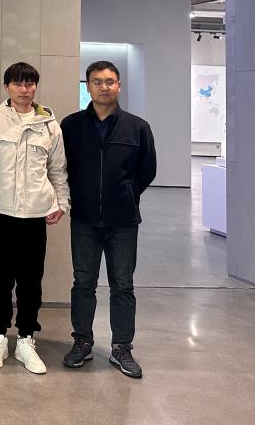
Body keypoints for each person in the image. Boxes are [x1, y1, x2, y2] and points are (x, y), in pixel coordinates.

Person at [60, 60, 156, 378]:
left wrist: (125, 194)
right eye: (97, 82)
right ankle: (83, 342)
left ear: (119, 86)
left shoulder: (137, 127)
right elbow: (61, 167)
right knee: (83, 284)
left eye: (110, 81)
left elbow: (147, 170)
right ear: (88, 86)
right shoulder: (71, 126)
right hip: (84, 219)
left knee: (123, 285)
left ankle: (121, 348)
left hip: (123, 221)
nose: (104, 87)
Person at [0, 62, 68, 375]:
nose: (24, 89)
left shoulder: (50, 124)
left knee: (31, 281)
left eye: (29, 84)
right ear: (7, 87)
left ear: (35, 87)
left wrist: (62, 202)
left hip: (35, 214)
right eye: (17, 83)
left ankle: (26, 339)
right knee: (0, 279)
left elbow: (57, 168)